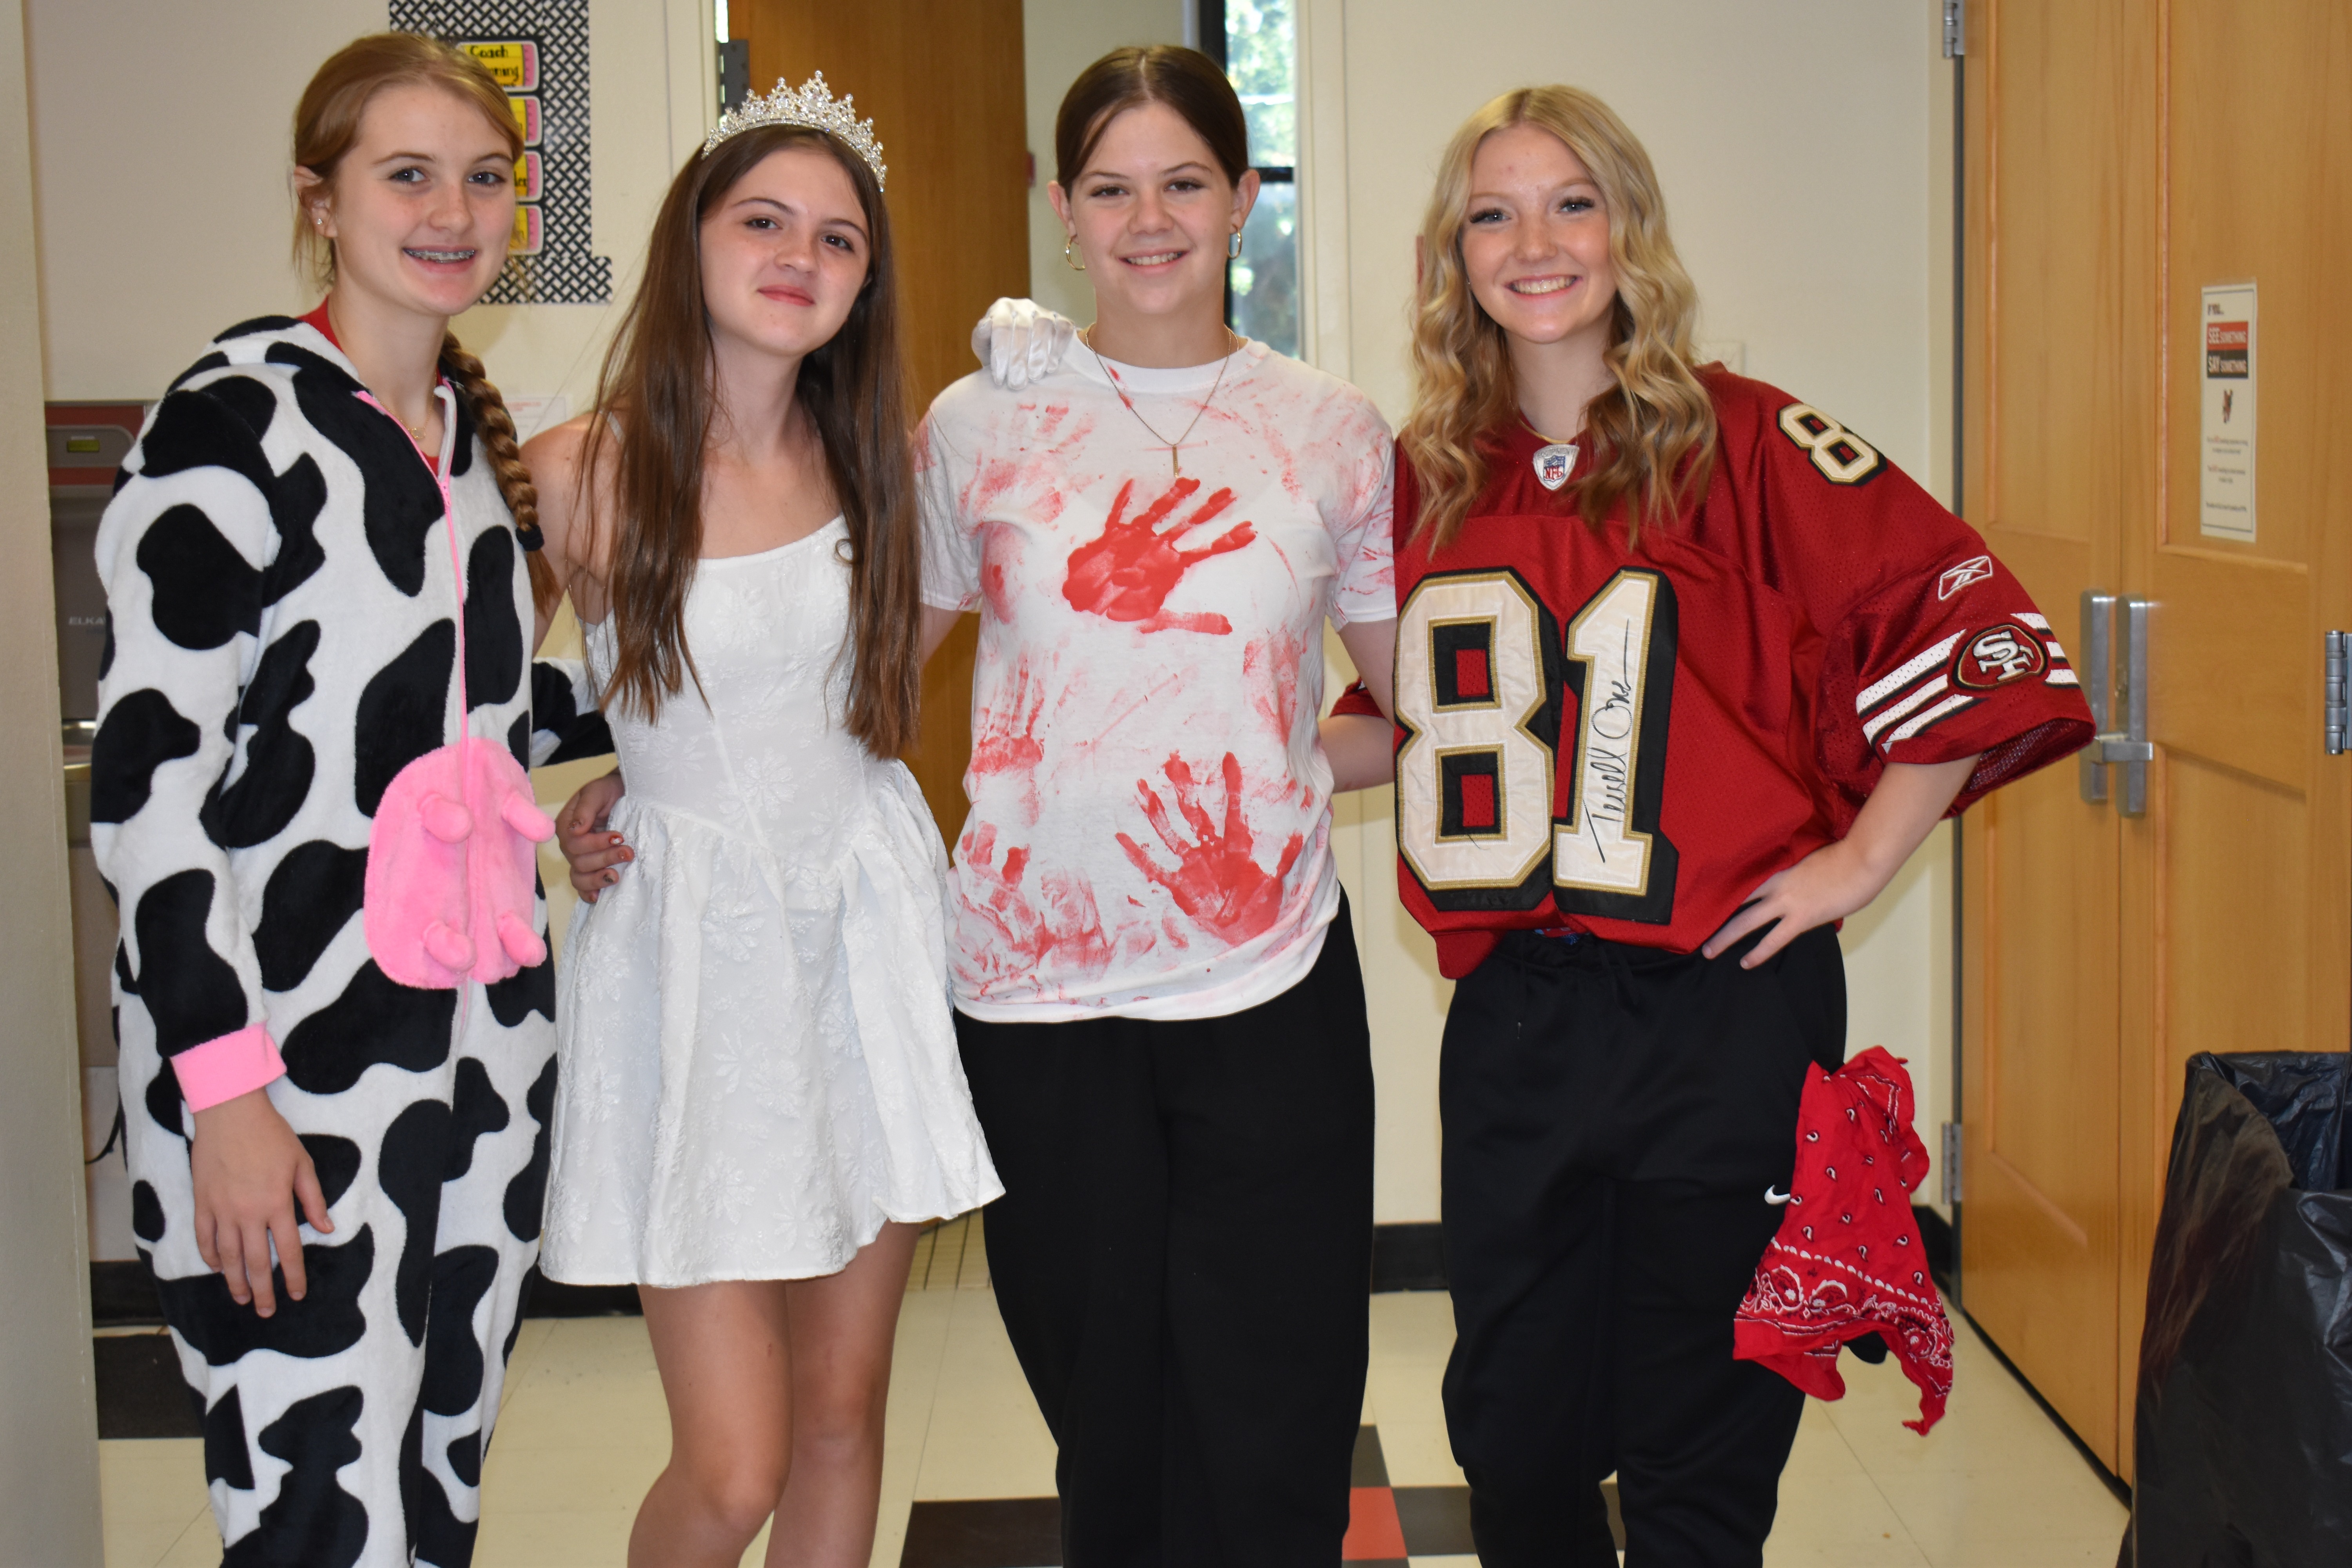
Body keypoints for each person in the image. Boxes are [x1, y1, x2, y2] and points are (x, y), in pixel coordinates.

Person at [562, 43, 1399, 1566]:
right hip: (1030, 995)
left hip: (1265, 978)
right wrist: (643, 772)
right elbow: (849, 667)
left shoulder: (1333, 431)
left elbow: (1412, 708)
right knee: (1108, 1421)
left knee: (1274, 1422)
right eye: (1111, 186)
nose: (1149, 218)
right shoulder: (969, 427)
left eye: (1185, 182)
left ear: (1243, 197)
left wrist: (1280, 763)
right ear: (1060, 207)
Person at [1325, 86, 2096, 1564]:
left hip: (1724, 1006)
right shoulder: (1417, 479)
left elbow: (1972, 621)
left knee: (1705, 1443)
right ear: (1452, 253)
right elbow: (1424, 728)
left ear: (1631, 229)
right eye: (1493, 212)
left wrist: (1866, 856)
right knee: (1515, 1437)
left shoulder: (1748, 441)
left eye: (1572, 203)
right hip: (1520, 1019)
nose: (1534, 242)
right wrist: (1248, 763)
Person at [90, 33, 608, 1568]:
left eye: (485, 177)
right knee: (322, 1516)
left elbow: (480, 717)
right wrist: (226, 1093)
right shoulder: (234, 422)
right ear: (320, 198)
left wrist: (607, 775)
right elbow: (147, 775)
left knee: (429, 1495)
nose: (453, 208)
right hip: (288, 1078)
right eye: (406, 174)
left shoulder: (469, 439)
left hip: (469, 1077)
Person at [524, 76, 1000, 1568]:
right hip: (694, 969)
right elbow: (459, 735)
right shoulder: (581, 471)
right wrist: (576, 808)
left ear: (865, 283)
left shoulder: (884, 463)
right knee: (734, 1466)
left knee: (844, 1420)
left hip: (862, 933)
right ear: (695, 242)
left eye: (839, 239)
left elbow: (849, 688)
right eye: (764, 221)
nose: (801, 256)